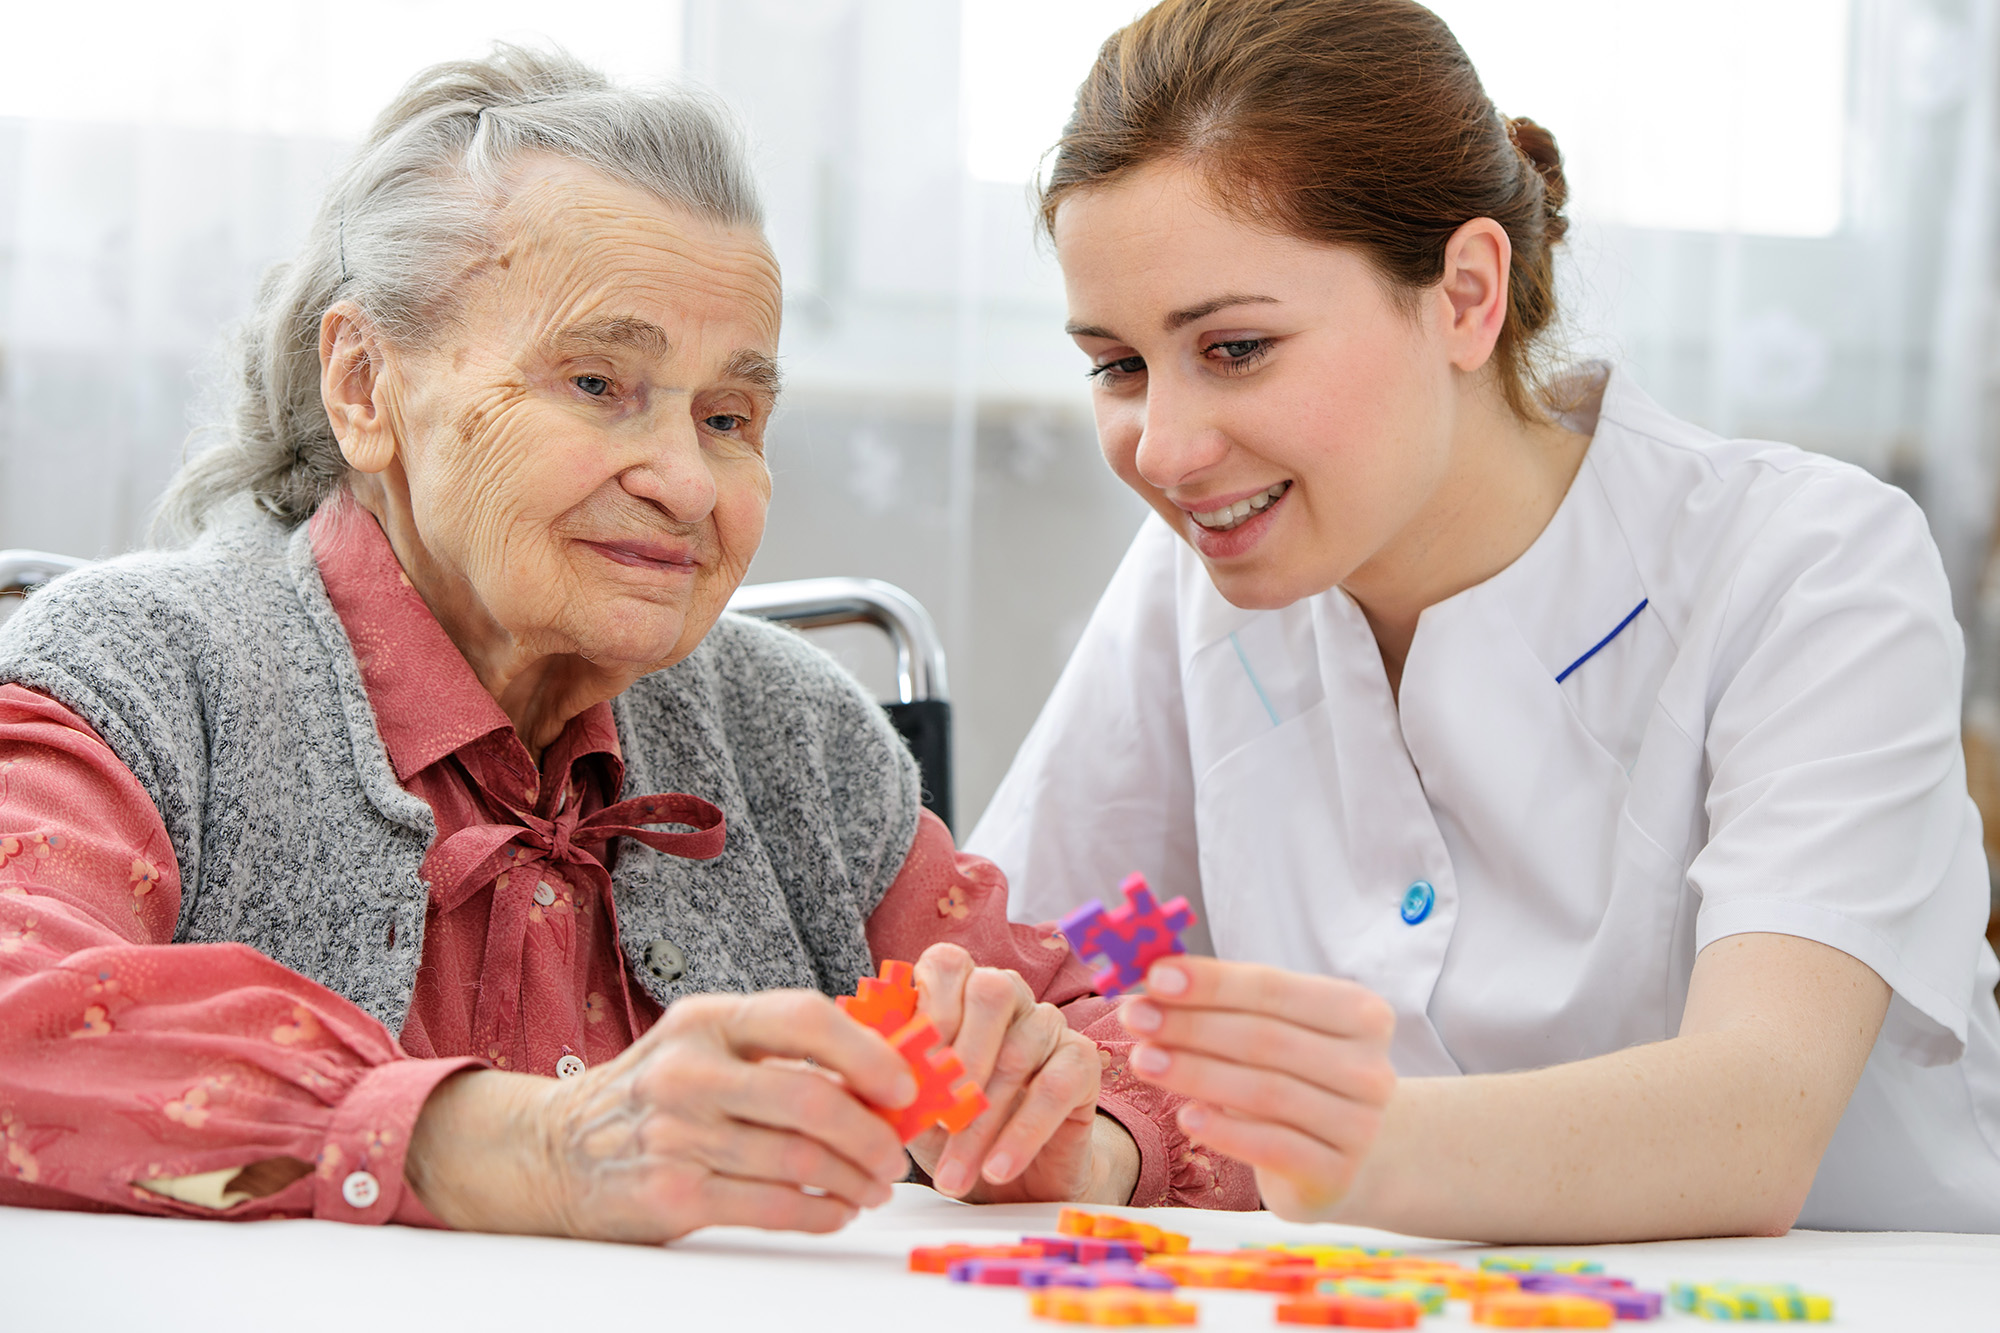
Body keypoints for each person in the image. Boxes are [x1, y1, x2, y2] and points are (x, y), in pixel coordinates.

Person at [0, 47, 1260, 1240]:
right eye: (598, 383)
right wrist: (529, 1143)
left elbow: (1147, 1051)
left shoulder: (798, 741)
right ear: (365, 384)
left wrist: (1078, 1134)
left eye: (728, 416)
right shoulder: (141, 674)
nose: (685, 481)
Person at [970, 0, 2000, 1239]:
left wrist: (1322, 1144)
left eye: (1235, 346)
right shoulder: (1192, 574)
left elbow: (1750, 1123)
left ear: (1464, 293)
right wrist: (1000, 1091)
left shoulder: (1809, 568)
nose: (1167, 447)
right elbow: (1033, 968)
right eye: (1116, 366)